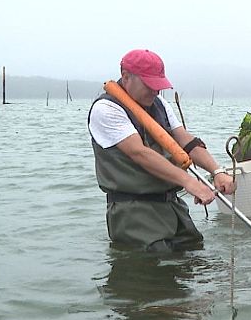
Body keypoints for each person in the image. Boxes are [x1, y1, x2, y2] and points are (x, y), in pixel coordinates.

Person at [88, 49, 235, 252]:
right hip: (134, 211)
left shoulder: (160, 104)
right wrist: (190, 182)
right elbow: (140, 154)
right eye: (149, 85)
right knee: (154, 268)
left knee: (194, 254)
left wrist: (217, 171)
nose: (155, 91)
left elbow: (185, 140)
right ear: (126, 76)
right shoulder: (106, 109)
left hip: (171, 206)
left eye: (158, 86)